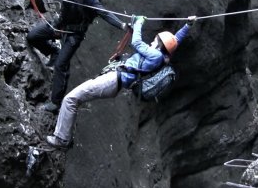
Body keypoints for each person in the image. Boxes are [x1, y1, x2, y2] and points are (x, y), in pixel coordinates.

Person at [46, 15, 196, 149]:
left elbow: (136, 42)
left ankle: (62, 139)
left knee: (71, 99)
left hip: (113, 80)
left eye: (155, 40)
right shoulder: (161, 56)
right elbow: (174, 41)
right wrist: (188, 25)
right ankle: (64, 136)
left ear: (160, 45)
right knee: (74, 99)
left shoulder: (155, 55)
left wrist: (138, 22)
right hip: (114, 80)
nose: (152, 41)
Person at [19, 0, 129, 112]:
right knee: (32, 37)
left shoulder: (90, 0)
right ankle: (53, 51)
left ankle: (55, 103)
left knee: (61, 65)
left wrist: (122, 26)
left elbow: (105, 13)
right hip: (59, 25)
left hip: (74, 35)